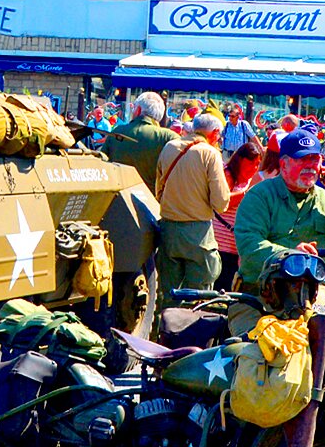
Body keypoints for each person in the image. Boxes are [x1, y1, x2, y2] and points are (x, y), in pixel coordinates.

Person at [232, 127, 325, 334]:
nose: (310, 166)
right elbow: (249, 245)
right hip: (260, 298)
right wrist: (290, 255)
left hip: (312, 296)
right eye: (302, 159)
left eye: (315, 159)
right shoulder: (260, 196)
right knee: (256, 351)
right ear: (283, 164)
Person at [154, 113, 231, 310]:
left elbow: (158, 190)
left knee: (168, 296)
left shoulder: (170, 147)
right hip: (198, 235)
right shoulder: (210, 153)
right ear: (214, 133)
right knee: (199, 299)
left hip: (168, 230)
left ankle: (162, 336)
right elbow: (221, 202)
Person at [212, 141, 262, 292]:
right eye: (251, 163)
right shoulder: (227, 175)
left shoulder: (252, 181)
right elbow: (223, 203)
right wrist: (246, 194)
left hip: (237, 248)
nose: (254, 168)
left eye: (257, 164)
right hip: (220, 245)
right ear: (240, 160)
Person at [101, 92, 176, 187]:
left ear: (138, 110)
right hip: (152, 199)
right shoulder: (168, 137)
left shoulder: (117, 131)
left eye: (133, 108)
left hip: (119, 196)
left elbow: (102, 164)